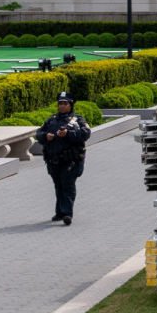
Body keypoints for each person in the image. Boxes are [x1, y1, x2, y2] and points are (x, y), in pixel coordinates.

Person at [35, 92, 93, 225]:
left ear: (71, 105)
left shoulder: (77, 120)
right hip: (53, 160)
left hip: (70, 160)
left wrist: (68, 134)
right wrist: (46, 136)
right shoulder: (52, 120)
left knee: (67, 185)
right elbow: (39, 133)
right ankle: (59, 212)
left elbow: (86, 133)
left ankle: (67, 213)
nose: (62, 106)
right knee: (58, 185)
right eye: (60, 103)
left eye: (65, 103)